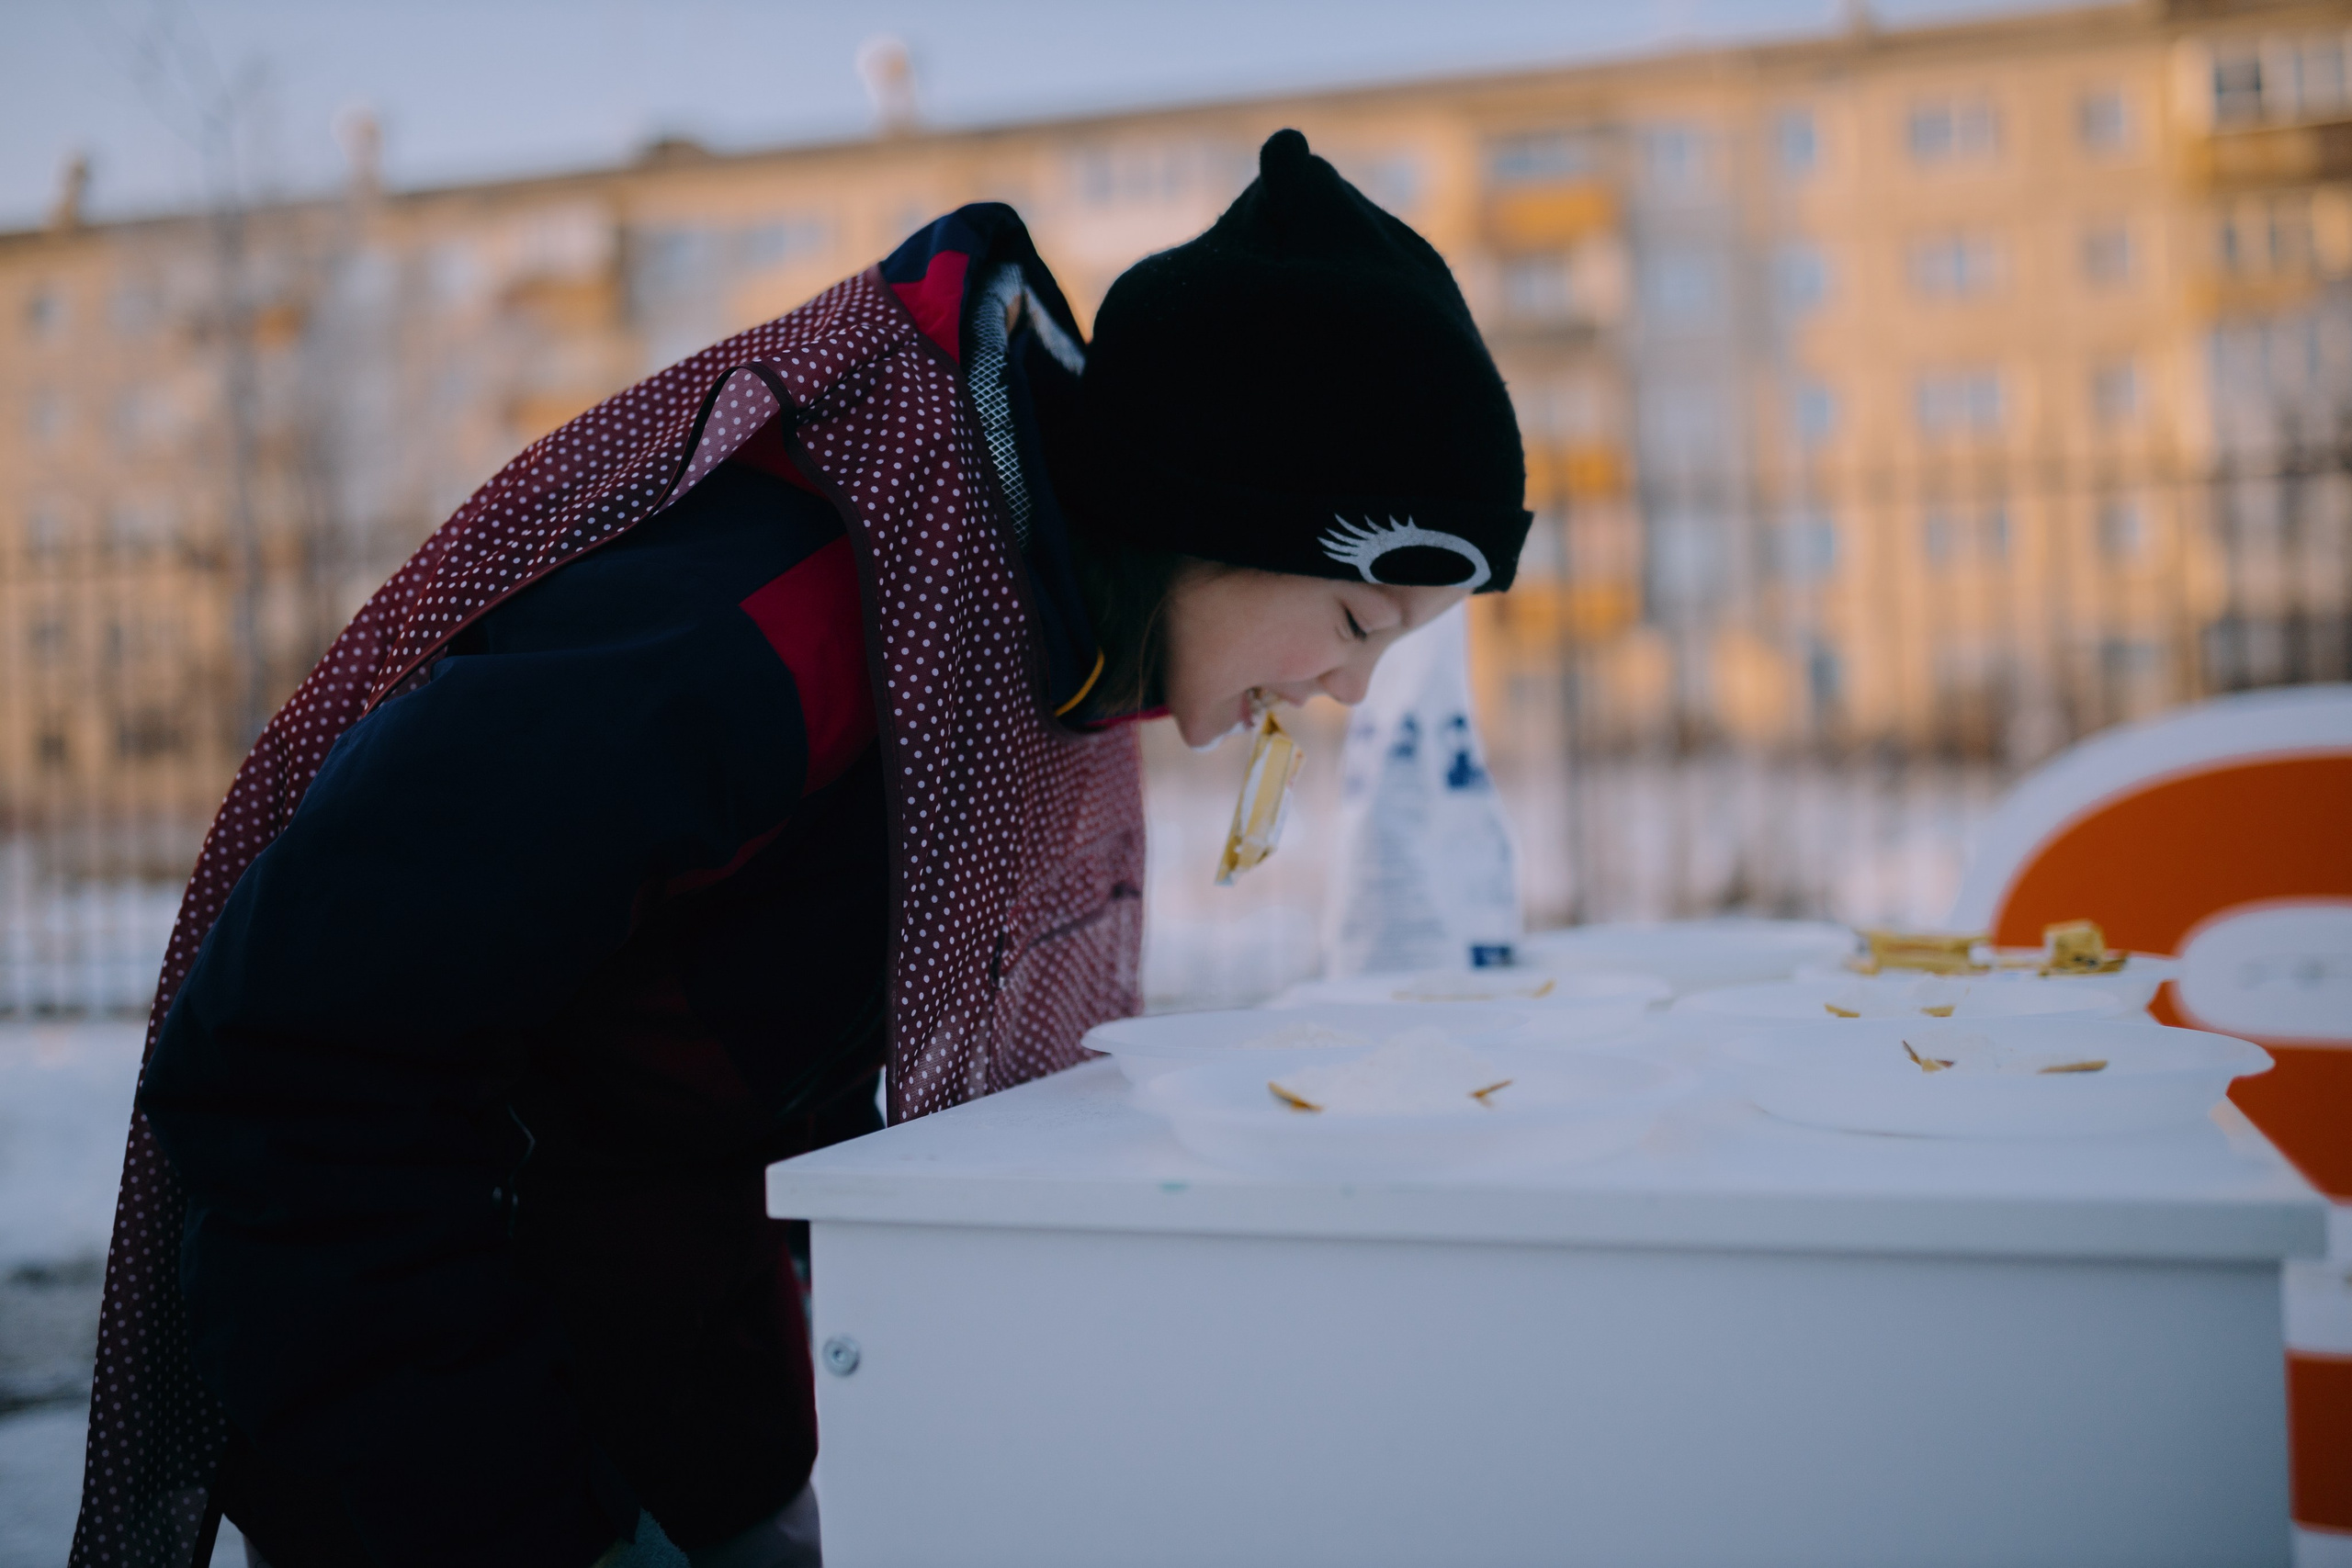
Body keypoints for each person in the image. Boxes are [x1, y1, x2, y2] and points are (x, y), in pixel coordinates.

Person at [70, 128, 1530, 1568]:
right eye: (1356, 622)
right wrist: (516, 1522)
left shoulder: (1047, 646)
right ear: (1205, 508)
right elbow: (299, 1061)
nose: (1351, 691)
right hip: (466, 1446)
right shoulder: (781, 628)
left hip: (688, 1408)